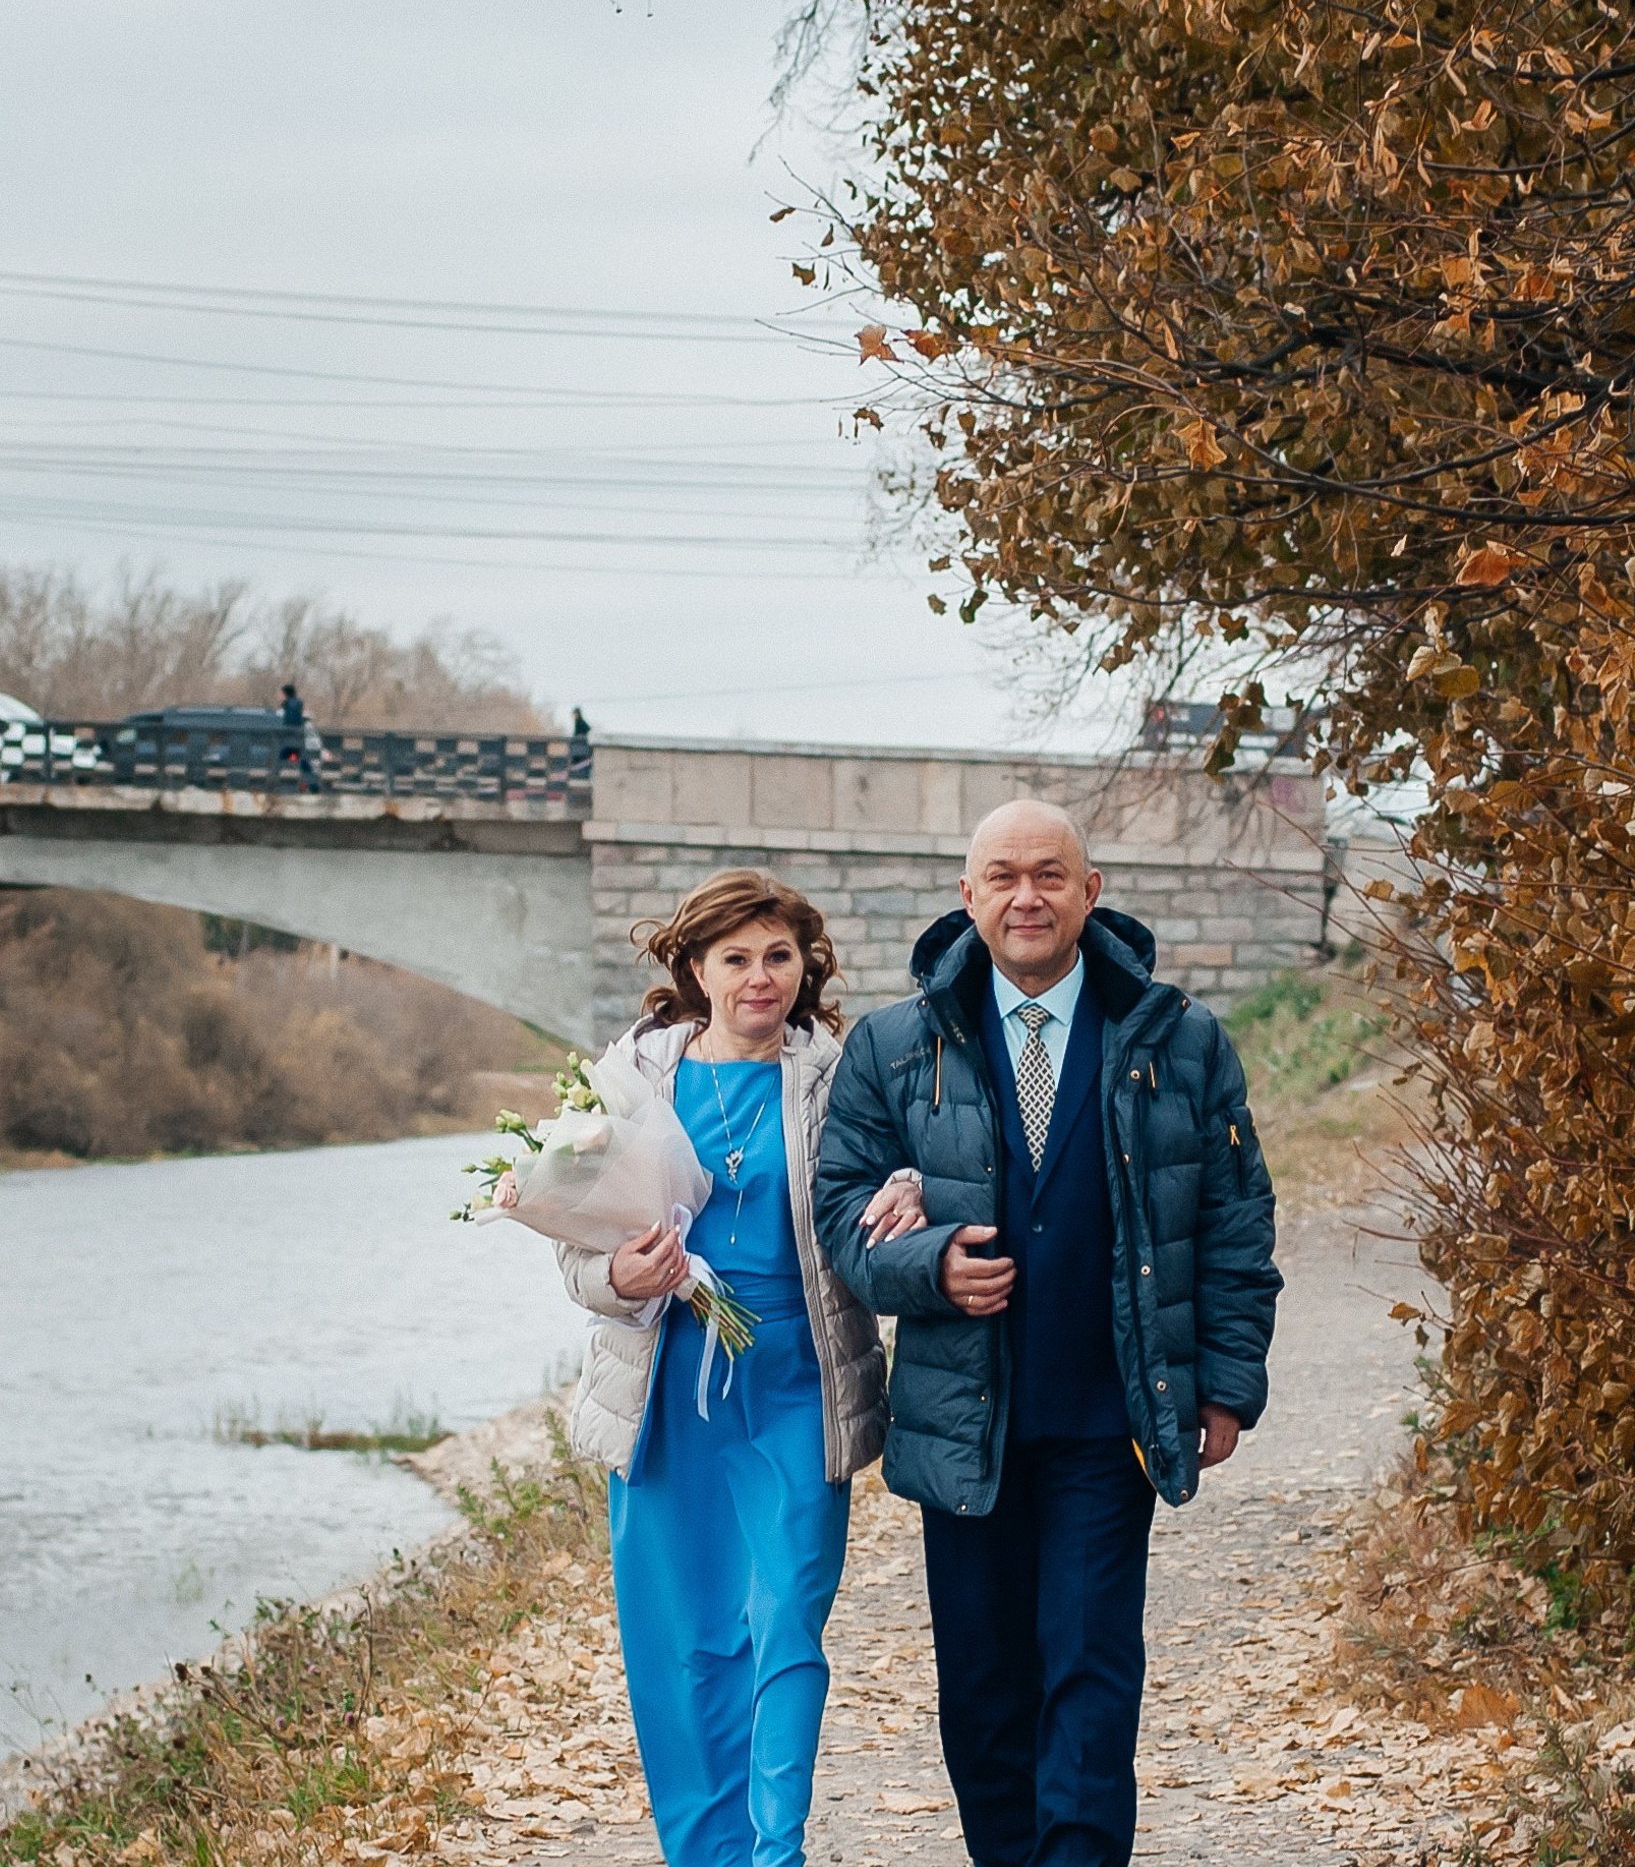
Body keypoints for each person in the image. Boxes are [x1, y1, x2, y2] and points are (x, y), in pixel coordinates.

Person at [814, 799, 1282, 1867]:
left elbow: (1236, 1221)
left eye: (1050, 875)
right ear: (968, 895)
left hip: (1110, 1416)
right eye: (1003, 877)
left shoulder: (1178, 1036)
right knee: (983, 1693)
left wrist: (1226, 1381)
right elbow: (839, 1217)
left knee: (1090, 1672)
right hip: (960, 1419)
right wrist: (925, 1267)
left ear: (1090, 892)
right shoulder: (895, 1045)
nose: (1027, 896)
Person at [497, 869, 923, 1867]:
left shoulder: (839, 1072)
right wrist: (617, 1270)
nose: (761, 978)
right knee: (683, 1648)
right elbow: (577, 1255)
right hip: (670, 1389)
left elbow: (902, 1166)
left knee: (786, 1626)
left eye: (779, 956)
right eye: (737, 958)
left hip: (796, 1384)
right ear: (696, 968)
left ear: (802, 965)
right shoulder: (628, 1085)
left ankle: (778, 1853)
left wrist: (907, 1187)